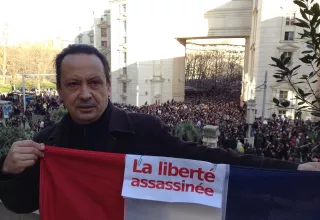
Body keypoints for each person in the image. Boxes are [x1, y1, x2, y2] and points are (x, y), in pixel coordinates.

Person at [0, 44, 319, 214]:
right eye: (73, 84)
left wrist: (292, 169)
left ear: (108, 86)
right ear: (59, 91)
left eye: (94, 82)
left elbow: (213, 163)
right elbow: (20, 205)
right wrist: (10, 171)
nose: (85, 93)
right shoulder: (45, 146)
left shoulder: (144, 131)